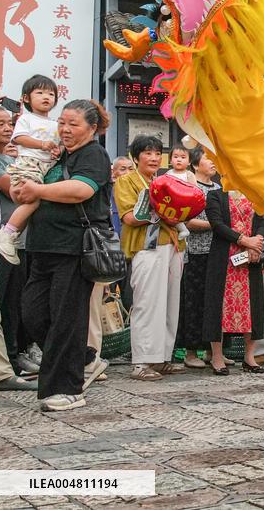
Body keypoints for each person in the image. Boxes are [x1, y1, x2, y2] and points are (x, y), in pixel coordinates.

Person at [16, 100, 113, 409]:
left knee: (65, 319)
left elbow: (81, 190)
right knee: (33, 314)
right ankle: (84, 359)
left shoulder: (94, 154)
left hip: (74, 248)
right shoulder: (58, 154)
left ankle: (67, 390)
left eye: (73, 124)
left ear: (92, 128)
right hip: (42, 246)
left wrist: (38, 191)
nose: (65, 129)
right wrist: (24, 189)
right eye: (62, 123)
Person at [114, 135, 186, 381]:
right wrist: (160, 212)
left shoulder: (164, 181)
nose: (154, 158)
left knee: (169, 303)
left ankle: (162, 357)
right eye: (148, 153)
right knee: (147, 303)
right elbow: (129, 217)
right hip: (146, 247)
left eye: (157, 153)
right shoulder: (126, 181)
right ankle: (141, 361)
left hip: (173, 245)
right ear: (136, 158)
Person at [0, 75, 60, 265]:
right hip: (29, 166)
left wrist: (56, 149)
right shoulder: (26, 120)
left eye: (50, 93)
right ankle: (6, 234)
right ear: (26, 98)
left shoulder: (55, 124)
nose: (46, 97)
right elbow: (19, 139)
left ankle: (10, 236)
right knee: (33, 198)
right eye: (39, 93)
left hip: (44, 168)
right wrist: (43, 144)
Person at [0, 104, 38, 376]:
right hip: (1, 240)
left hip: (23, 240)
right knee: (5, 302)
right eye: (0, 124)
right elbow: (17, 191)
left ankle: (17, 354)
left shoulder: (14, 158)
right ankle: (8, 359)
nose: (8, 128)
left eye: (10, 123)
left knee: (18, 301)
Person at [204, 188, 264, 375]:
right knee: (218, 306)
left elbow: (261, 222)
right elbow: (217, 224)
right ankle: (216, 356)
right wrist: (244, 240)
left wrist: (257, 243)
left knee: (252, 305)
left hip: (250, 258)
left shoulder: (256, 193)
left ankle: (249, 357)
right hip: (224, 256)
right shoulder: (215, 195)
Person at [175, 148, 221, 368]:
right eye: (207, 158)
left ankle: (214, 352)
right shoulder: (190, 189)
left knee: (215, 303)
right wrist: (218, 226)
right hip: (195, 252)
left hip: (217, 252)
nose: (213, 162)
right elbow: (188, 222)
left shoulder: (221, 188)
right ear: (194, 164)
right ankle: (191, 352)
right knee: (193, 301)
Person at [164, 144, 196, 240]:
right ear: (170, 160)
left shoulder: (189, 174)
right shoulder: (168, 173)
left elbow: (195, 189)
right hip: (170, 200)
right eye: (175, 157)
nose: (179, 159)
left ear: (189, 161)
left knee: (177, 215)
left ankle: (183, 230)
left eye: (183, 157)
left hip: (183, 201)